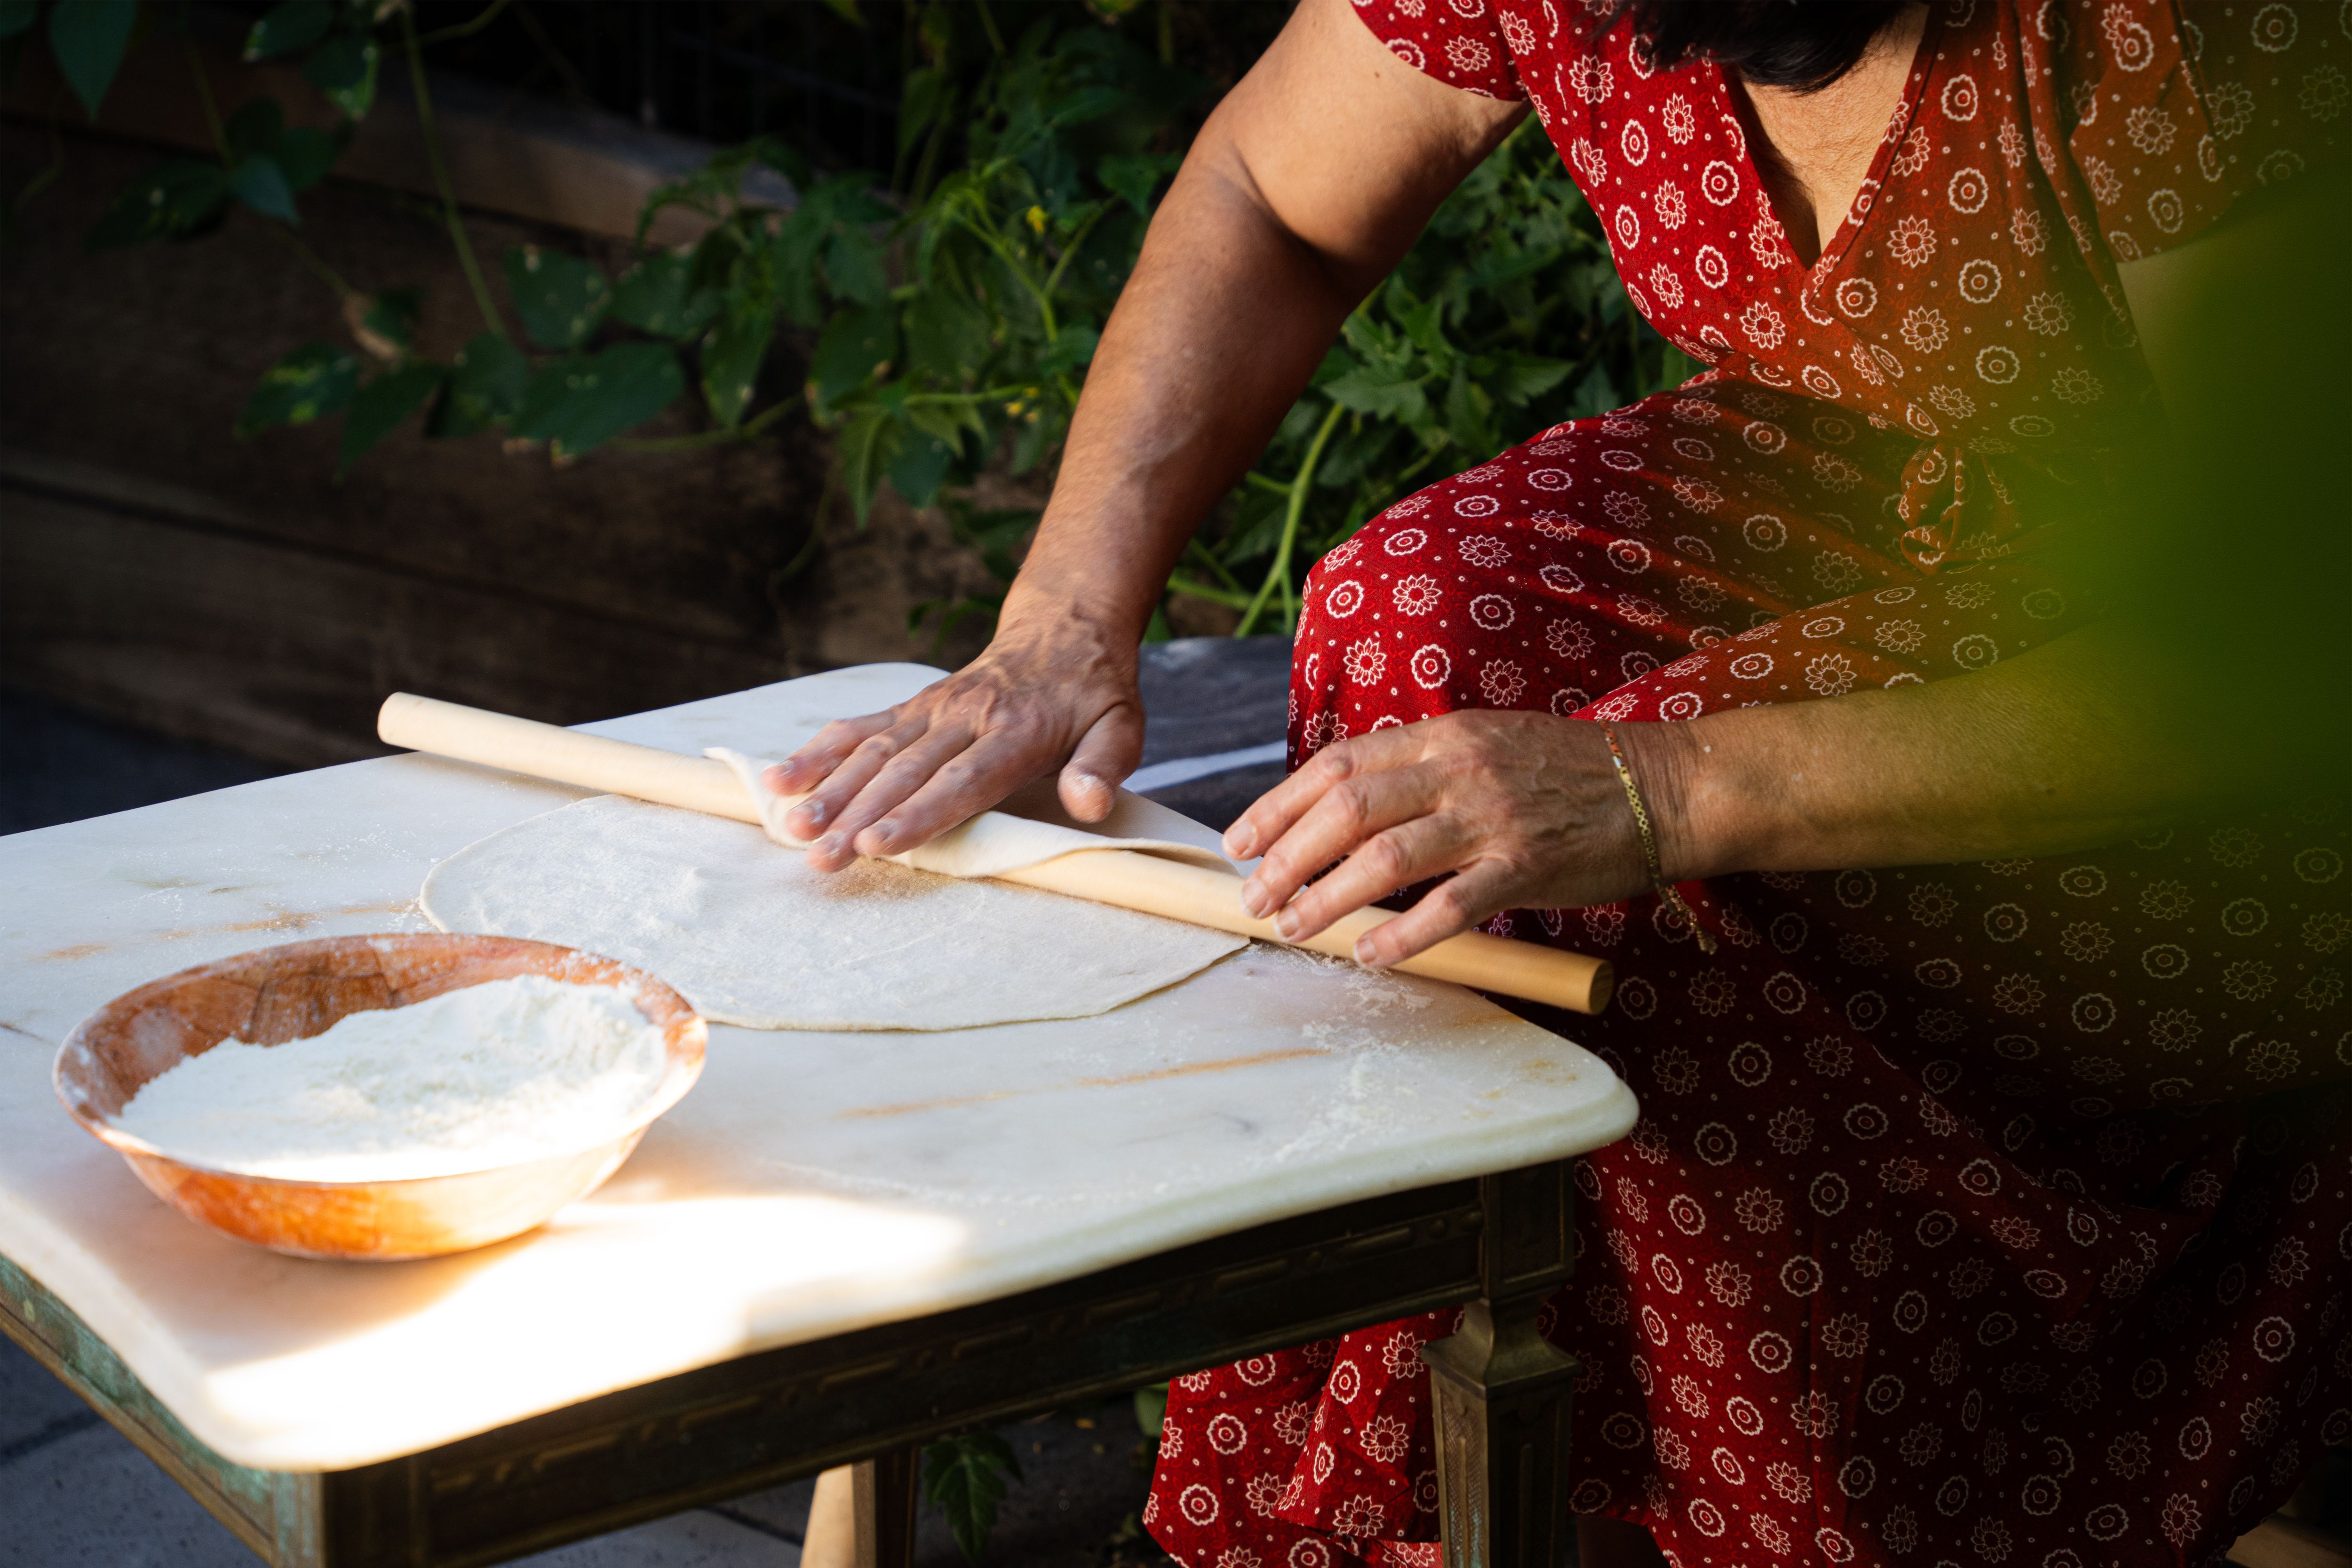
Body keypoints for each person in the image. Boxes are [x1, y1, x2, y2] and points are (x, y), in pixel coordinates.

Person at [775, 0, 2352, 1562]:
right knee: (1413, 626)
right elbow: (1275, 195)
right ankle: (1458, 1512)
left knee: (1636, 896)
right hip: (1881, 488)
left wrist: (1663, 790)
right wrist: (1057, 630)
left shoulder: (2168, 32)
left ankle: (1817, 1513)